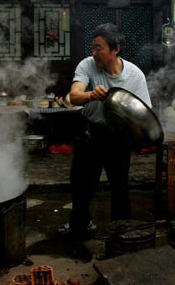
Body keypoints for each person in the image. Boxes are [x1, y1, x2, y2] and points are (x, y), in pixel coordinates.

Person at [61, 23, 152, 241]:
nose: (93, 53)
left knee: (120, 187)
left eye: (99, 48)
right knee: (81, 185)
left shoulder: (135, 76)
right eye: (93, 47)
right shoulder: (88, 65)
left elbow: (144, 114)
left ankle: (121, 234)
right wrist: (91, 95)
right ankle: (79, 231)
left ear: (115, 49)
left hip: (119, 137)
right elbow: (74, 96)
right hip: (91, 133)